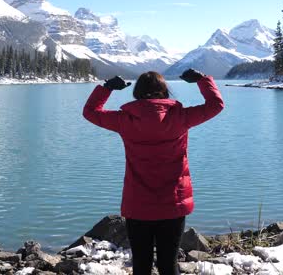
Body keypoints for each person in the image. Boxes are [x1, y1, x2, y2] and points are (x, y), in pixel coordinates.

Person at [82, 69, 224, 275]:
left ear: (137, 93)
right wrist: (203, 80)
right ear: (164, 91)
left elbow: (90, 112)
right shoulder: (181, 117)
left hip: (137, 204)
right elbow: (216, 105)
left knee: (141, 264)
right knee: (169, 264)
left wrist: (107, 88)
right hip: (173, 203)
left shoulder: (125, 120)